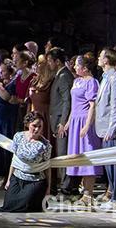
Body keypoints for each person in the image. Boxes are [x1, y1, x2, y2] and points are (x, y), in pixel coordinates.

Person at [62, 54, 102, 205]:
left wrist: (87, 125)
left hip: (84, 120)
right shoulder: (76, 81)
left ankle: (88, 194)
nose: (74, 67)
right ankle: (83, 191)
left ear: (85, 68)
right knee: (77, 156)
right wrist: (68, 122)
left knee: (87, 156)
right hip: (75, 121)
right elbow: (74, 104)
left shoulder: (92, 82)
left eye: (77, 65)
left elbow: (92, 105)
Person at [0, 111, 52, 212]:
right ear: (28, 124)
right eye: (34, 126)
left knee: (25, 205)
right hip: (18, 177)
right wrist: (9, 180)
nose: (37, 129)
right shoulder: (18, 137)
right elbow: (14, 160)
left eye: (40, 127)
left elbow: (47, 167)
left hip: (35, 180)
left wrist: (48, 188)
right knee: (8, 205)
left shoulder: (45, 145)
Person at [95, 48, 116, 206]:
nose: (98, 58)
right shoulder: (106, 77)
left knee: (115, 165)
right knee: (109, 164)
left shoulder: (114, 77)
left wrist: (112, 128)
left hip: (113, 130)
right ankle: (114, 195)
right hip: (104, 128)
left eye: (101, 56)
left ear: (106, 60)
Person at [46, 47, 75, 195]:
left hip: (61, 122)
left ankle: (66, 186)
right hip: (56, 120)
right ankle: (64, 183)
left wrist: (63, 122)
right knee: (60, 152)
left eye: (50, 61)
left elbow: (67, 101)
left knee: (64, 153)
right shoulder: (59, 75)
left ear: (57, 61)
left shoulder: (64, 76)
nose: (48, 64)